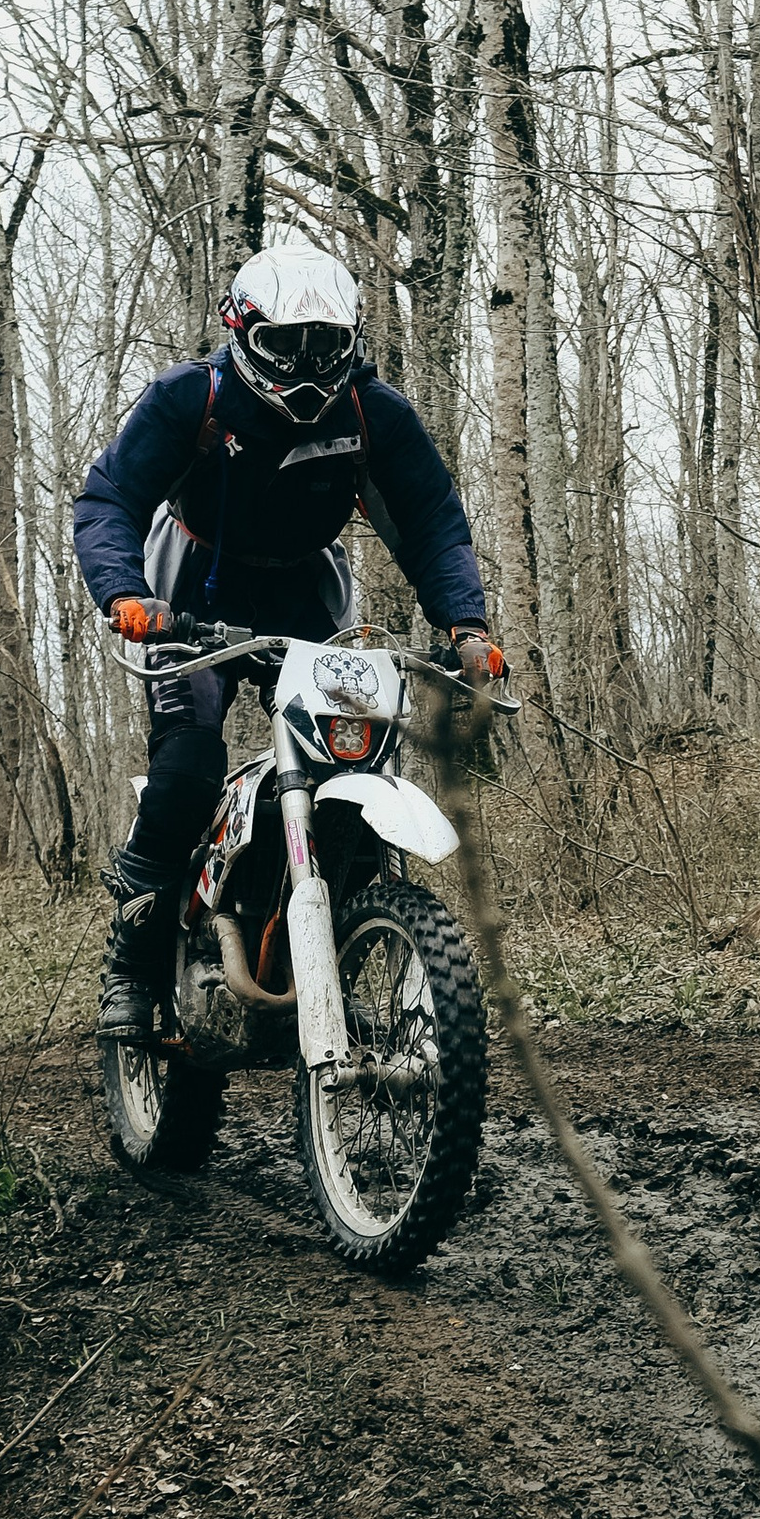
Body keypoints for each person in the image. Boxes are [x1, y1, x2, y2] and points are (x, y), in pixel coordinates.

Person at [72, 241, 502, 1038]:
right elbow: (110, 500)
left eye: (326, 348)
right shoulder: (187, 399)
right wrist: (126, 593)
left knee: (354, 762)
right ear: (243, 332)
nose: (306, 370)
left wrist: (466, 624)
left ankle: (332, 957)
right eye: (285, 347)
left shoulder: (376, 415)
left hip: (306, 590)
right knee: (188, 771)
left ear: (353, 343)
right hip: (187, 586)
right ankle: (131, 969)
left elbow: (434, 525)